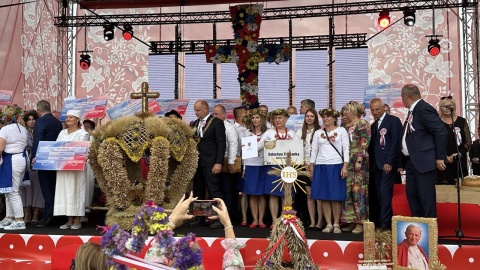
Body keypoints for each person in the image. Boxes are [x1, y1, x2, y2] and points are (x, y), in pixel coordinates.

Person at [164, 192, 245, 269]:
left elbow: (157, 251)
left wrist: (173, 217)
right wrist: (227, 222)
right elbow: (233, 260)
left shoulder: (155, 264)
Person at [401, 84, 447, 218]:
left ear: (405, 97)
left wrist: (440, 157)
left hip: (424, 162)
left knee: (426, 199)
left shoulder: (423, 108)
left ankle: (431, 232)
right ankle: (420, 229)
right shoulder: (413, 111)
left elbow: (441, 131)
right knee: (412, 195)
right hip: (412, 161)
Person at [308, 108, 349, 234]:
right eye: (324, 117)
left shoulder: (341, 130)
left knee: (335, 196)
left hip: (336, 164)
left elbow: (346, 148)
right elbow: (313, 150)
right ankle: (329, 224)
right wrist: (311, 166)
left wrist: (345, 166)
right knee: (324, 196)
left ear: (335, 118)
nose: (326, 119)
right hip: (321, 165)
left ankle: (336, 223)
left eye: (329, 117)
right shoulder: (318, 132)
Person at [191, 100, 226, 229]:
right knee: (198, 191)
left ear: (206, 109)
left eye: (198, 110)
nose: (196, 112)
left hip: (211, 162)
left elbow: (221, 144)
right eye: (195, 110)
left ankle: (219, 218)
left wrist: (218, 162)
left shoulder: (217, 122)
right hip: (198, 162)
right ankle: (199, 217)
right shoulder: (195, 123)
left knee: (214, 190)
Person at [369, 98, 403, 231]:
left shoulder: (393, 121)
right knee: (379, 194)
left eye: (377, 109)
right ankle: (381, 221)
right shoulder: (374, 125)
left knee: (385, 193)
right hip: (376, 166)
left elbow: (395, 143)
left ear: (383, 108)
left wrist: (390, 161)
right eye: (372, 110)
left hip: (388, 164)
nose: (375, 112)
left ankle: (386, 224)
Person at [258, 109, 296, 227]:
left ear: (286, 119)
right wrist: (268, 145)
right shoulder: (269, 133)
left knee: (286, 193)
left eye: (280, 118)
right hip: (272, 166)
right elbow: (259, 147)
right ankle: (274, 220)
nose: (278, 120)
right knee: (273, 193)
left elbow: (297, 148)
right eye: (275, 118)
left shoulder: (292, 133)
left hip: (287, 166)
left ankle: (285, 218)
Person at [54, 110, 90, 229]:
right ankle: (69, 221)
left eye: (71, 117)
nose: (68, 119)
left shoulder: (82, 133)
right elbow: (56, 148)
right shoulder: (62, 132)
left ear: (77, 120)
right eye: (67, 117)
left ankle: (77, 221)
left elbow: (82, 149)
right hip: (63, 167)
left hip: (76, 167)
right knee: (64, 191)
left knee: (75, 190)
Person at [340, 101, 371, 234]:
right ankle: (350, 220)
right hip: (346, 160)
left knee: (358, 191)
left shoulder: (362, 124)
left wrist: (359, 159)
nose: (345, 113)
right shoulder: (344, 126)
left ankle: (361, 221)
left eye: (347, 110)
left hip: (358, 160)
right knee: (348, 192)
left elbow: (364, 143)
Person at [32, 100, 63, 227]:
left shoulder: (40, 121)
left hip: (44, 158)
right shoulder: (57, 122)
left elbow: (37, 139)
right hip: (56, 158)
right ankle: (56, 215)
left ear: (39, 111)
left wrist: (34, 157)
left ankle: (48, 217)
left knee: (46, 188)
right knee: (54, 187)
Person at [0, 105, 28, 230]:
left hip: (11, 160)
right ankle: (10, 216)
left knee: (12, 191)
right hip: (21, 158)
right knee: (9, 190)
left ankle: (19, 219)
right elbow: (26, 144)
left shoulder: (5, 130)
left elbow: (0, 148)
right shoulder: (23, 128)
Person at [294, 108, 320, 230]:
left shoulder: (320, 131)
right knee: (309, 194)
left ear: (315, 118)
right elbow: (296, 149)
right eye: (307, 116)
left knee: (319, 195)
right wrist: (304, 163)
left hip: (318, 165)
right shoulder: (300, 132)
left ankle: (320, 220)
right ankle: (312, 221)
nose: (309, 118)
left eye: (312, 116)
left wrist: (313, 164)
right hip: (304, 166)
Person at [436, 96, 471, 185]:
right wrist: (444, 157)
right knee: (444, 192)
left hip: (459, 161)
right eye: (444, 106)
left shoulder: (462, 121)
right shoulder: (436, 122)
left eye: (449, 106)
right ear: (440, 108)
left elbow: (468, 142)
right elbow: (433, 142)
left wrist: (459, 153)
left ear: (453, 106)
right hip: (442, 163)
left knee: (461, 191)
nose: (447, 108)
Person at [242, 109, 268, 228]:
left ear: (262, 119)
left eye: (257, 118)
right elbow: (246, 151)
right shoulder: (247, 133)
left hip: (263, 164)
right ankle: (254, 219)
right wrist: (244, 167)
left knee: (261, 194)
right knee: (252, 194)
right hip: (251, 165)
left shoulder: (267, 133)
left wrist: (255, 146)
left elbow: (258, 147)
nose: (255, 120)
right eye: (253, 118)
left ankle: (261, 220)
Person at [213, 105, 239, 221]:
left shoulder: (229, 127)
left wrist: (231, 161)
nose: (215, 116)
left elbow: (233, 145)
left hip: (226, 161)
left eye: (217, 114)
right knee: (217, 189)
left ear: (224, 114)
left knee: (227, 190)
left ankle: (227, 216)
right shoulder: (212, 125)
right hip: (215, 161)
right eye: (213, 114)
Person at [20, 110, 44, 225]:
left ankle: (36, 213)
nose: (31, 121)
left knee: (38, 188)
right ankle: (26, 212)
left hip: (38, 161)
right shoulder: (22, 132)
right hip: (25, 161)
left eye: (33, 119)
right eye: (29, 120)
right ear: (25, 122)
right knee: (26, 187)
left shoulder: (40, 131)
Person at [233, 106, 248, 226]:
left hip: (252, 162)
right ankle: (243, 216)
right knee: (241, 191)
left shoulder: (249, 128)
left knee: (251, 192)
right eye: (246, 113)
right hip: (239, 161)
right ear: (241, 115)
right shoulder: (233, 128)